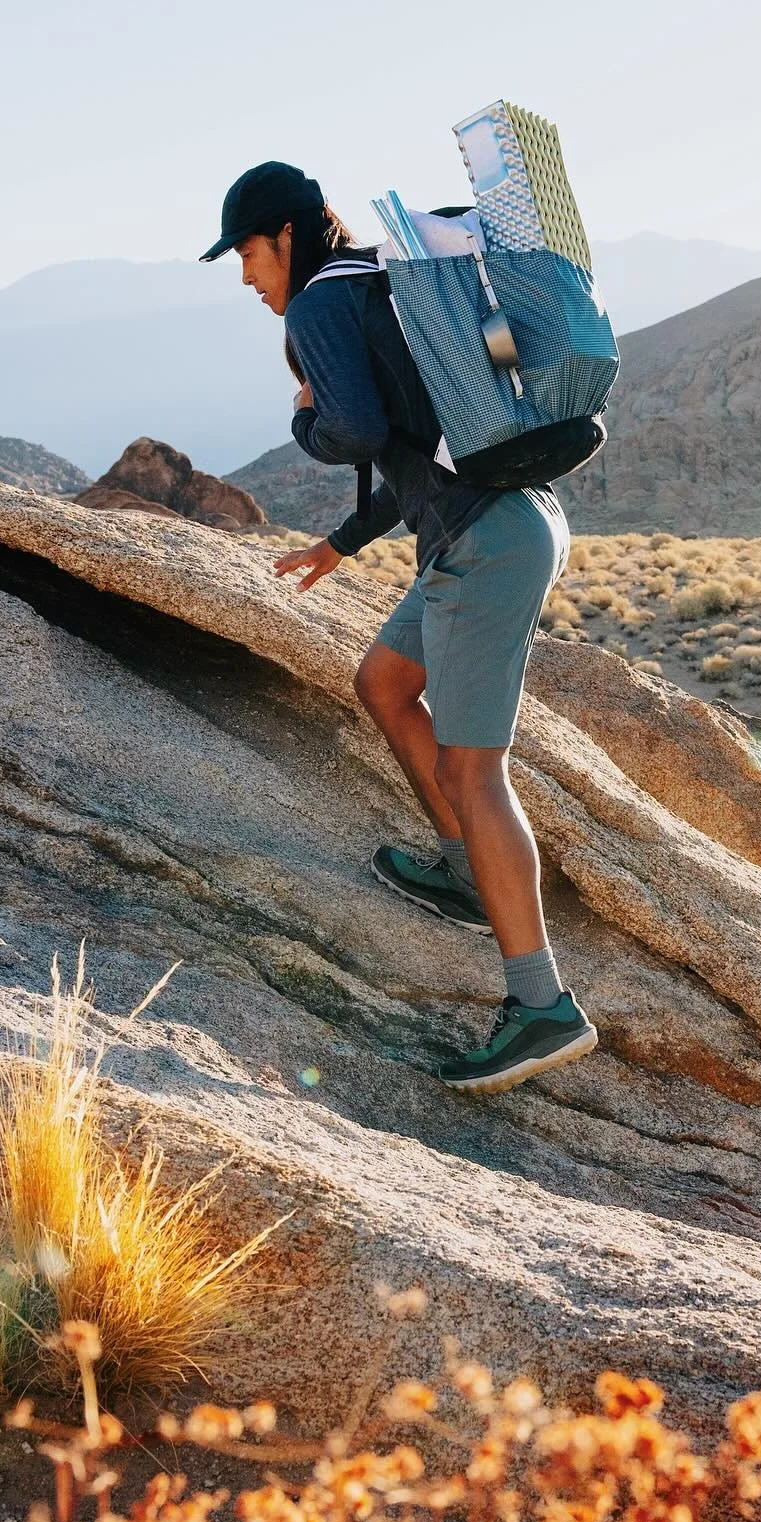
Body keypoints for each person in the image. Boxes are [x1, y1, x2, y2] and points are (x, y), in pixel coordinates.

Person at [200, 161, 597, 1094]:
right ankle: (467, 868)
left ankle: (541, 1006)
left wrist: (303, 419)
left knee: (474, 769)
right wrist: (341, 544)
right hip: (502, 518)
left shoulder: (315, 308)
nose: (249, 279)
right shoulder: (378, 283)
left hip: (485, 543)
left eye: (250, 256)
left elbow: (352, 430)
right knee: (381, 681)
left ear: (286, 238)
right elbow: (420, 442)